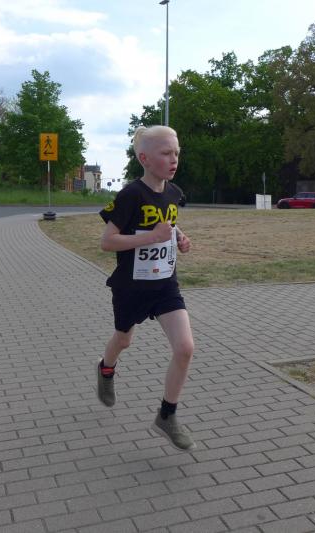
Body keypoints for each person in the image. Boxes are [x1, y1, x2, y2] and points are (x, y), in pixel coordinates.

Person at [97, 125, 196, 451]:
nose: (174, 159)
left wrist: (179, 238)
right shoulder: (131, 195)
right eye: (166, 153)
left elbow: (168, 225)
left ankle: (167, 415)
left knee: (185, 348)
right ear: (144, 158)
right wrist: (150, 238)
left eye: (176, 153)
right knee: (124, 339)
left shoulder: (174, 193)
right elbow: (107, 242)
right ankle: (106, 369)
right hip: (131, 287)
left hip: (165, 284)